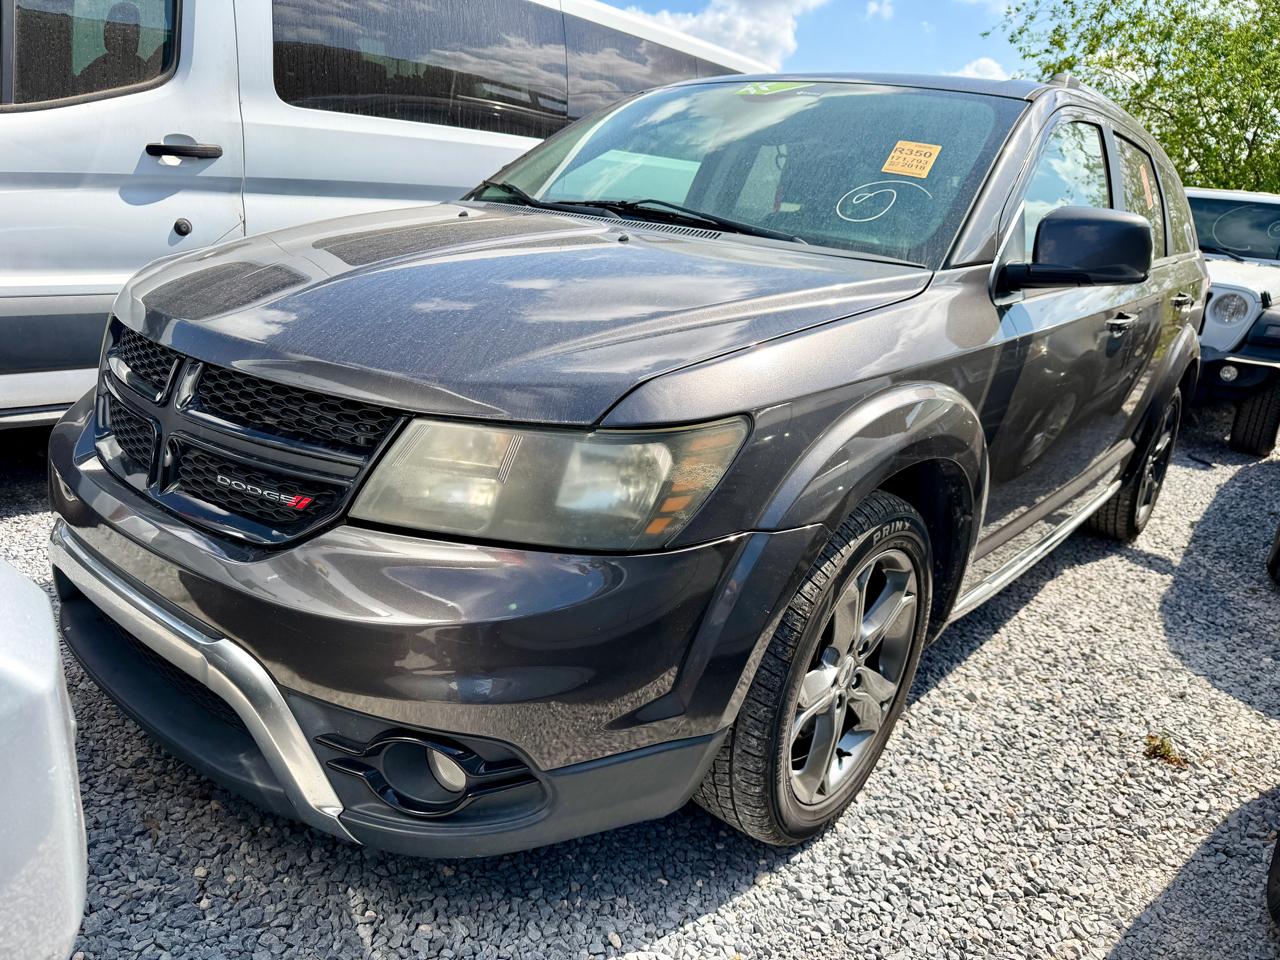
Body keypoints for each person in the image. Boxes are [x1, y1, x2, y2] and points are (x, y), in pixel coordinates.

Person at [75, 2, 151, 95]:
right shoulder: (94, 70)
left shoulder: (144, 72)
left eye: (128, 30)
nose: (122, 36)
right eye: (114, 29)